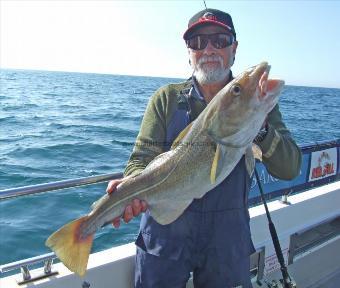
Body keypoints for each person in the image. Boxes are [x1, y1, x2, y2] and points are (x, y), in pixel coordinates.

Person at [106, 8, 302, 288]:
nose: (208, 49)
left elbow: (291, 168)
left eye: (219, 40)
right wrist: (132, 188)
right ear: (189, 52)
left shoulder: (260, 104)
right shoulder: (166, 99)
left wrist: (260, 131)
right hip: (164, 235)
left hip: (226, 238)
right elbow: (140, 161)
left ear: (234, 49)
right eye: (197, 43)